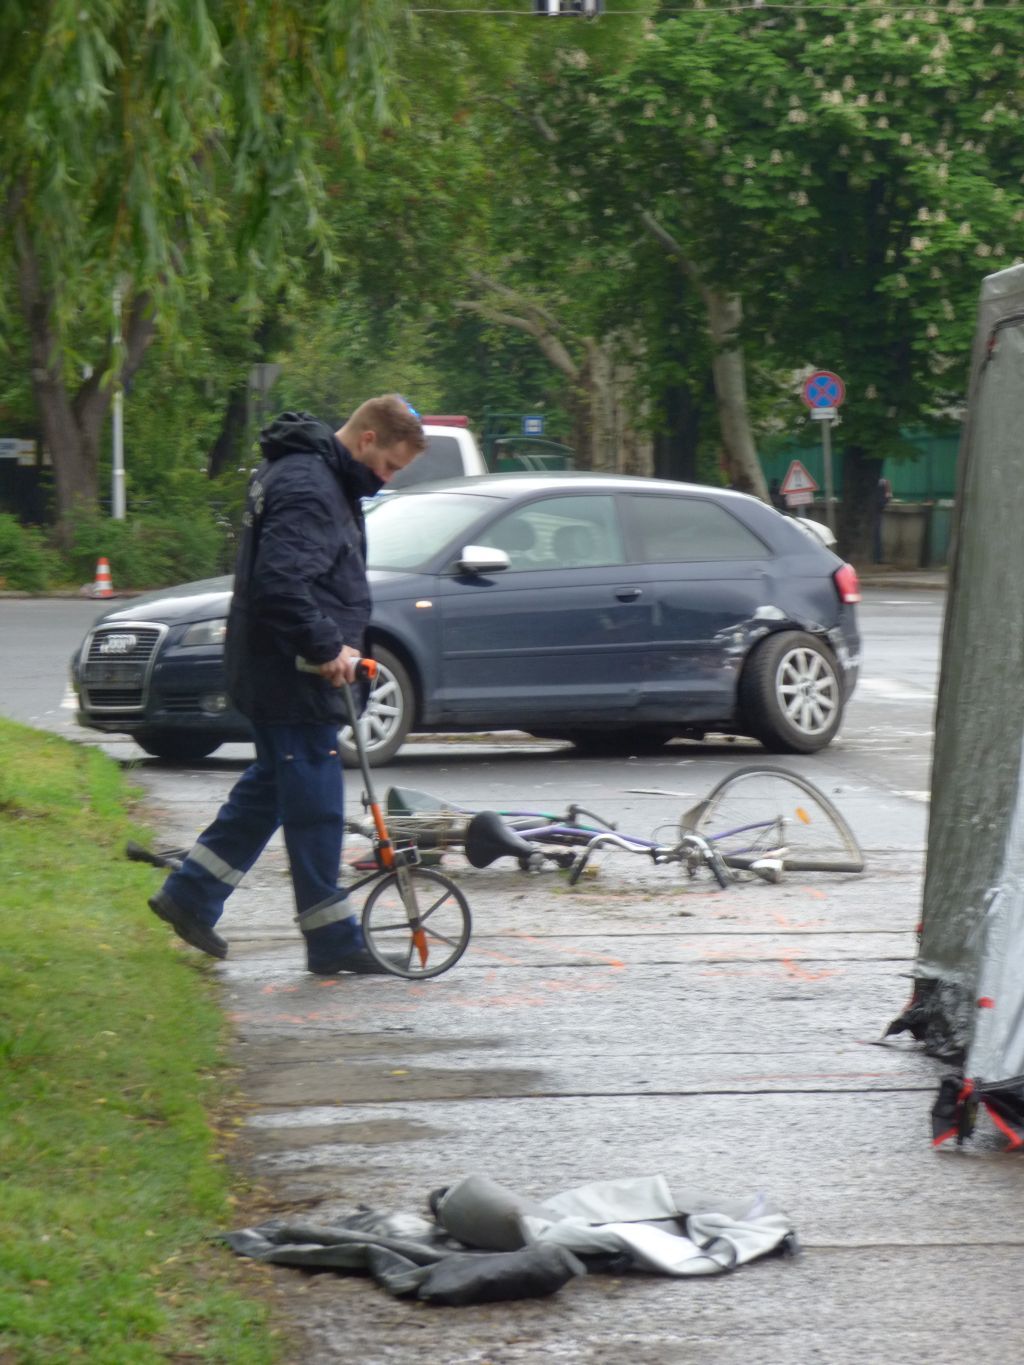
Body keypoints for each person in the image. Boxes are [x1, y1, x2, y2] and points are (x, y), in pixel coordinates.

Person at [148, 395, 427, 974]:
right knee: (316, 806)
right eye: (390, 467)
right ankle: (332, 941)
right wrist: (325, 647)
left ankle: (190, 894)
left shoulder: (311, 472)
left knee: (273, 790)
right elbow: (280, 583)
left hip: (277, 668)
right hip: (293, 676)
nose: (386, 481)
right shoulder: (311, 486)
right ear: (369, 438)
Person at [873, 475, 892, 563]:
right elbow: (882, 503)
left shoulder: (878, 484)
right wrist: (888, 493)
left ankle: (877, 557)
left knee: (876, 536)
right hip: (876, 514)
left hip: (874, 514)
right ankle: (877, 558)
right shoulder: (881, 485)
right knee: (876, 536)